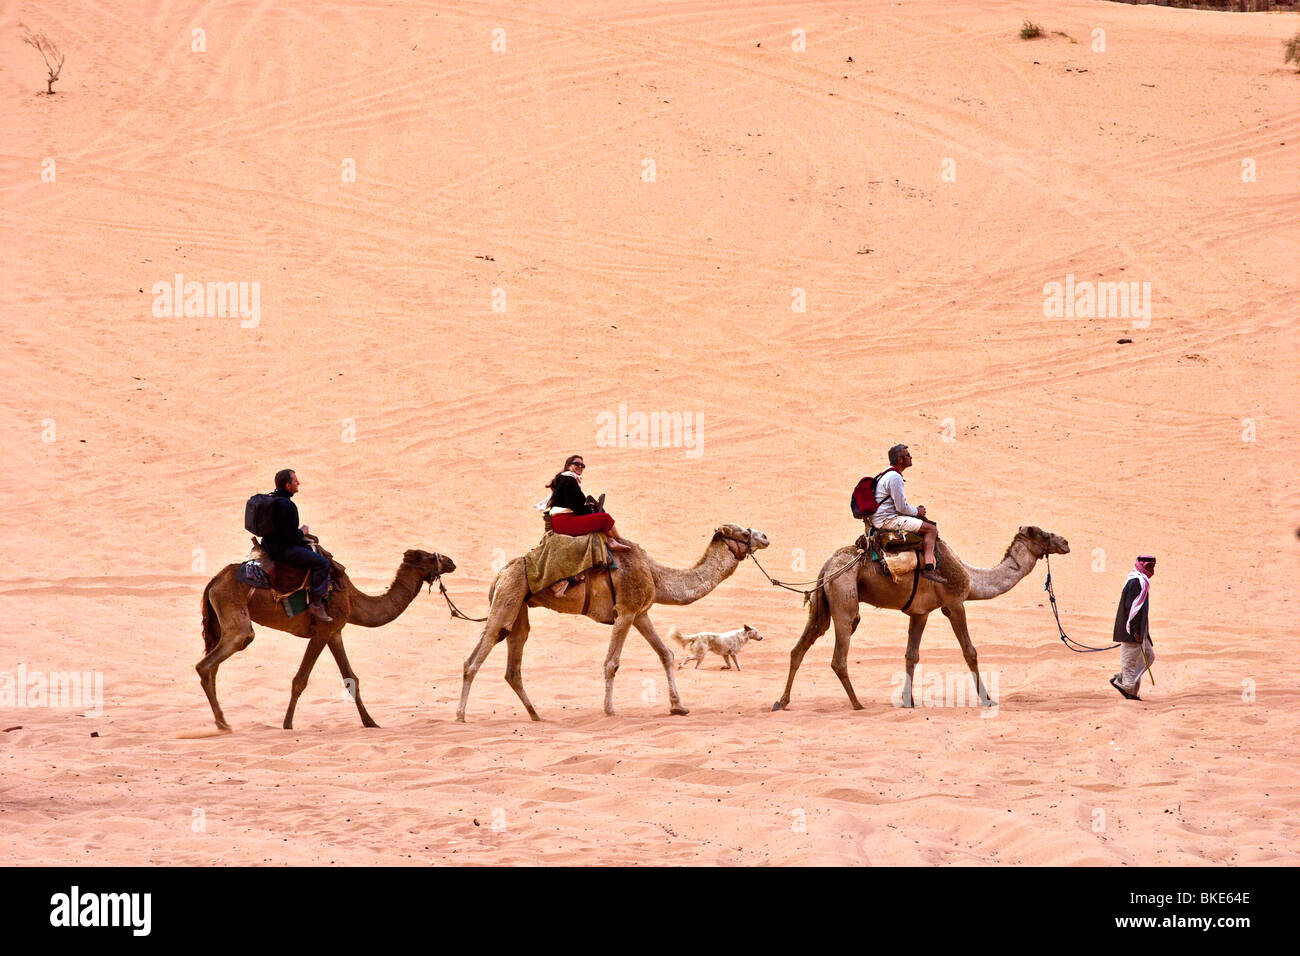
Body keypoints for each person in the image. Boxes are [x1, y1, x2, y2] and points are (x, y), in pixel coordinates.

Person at [262, 469, 333, 623]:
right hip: (282, 550)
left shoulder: (270, 499)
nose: (298, 483)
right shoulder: (288, 506)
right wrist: (302, 531)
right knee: (322, 563)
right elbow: (292, 539)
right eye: (295, 481)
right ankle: (316, 605)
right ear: (288, 485)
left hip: (268, 545)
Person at [870, 443, 947, 584]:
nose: (910, 457)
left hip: (881, 517)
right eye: (907, 455)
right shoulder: (895, 477)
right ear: (900, 459)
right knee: (931, 529)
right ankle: (930, 568)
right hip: (887, 520)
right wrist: (918, 511)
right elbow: (901, 507)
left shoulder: (886, 473)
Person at [540, 455, 631, 550]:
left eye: (582, 465)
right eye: (576, 464)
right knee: (605, 518)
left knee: (598, 515)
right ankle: (616, 540)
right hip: (565, 522)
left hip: (562, 520)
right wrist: (591, 509)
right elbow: (575, 505)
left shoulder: (565, 479)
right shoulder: (568, 480)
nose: (580, 466)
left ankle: (611, 539)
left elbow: (572, 504)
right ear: (568, 465)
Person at [1110, 555, 1156, 700]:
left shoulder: (1142, 581)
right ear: (1142, 565)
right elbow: (1132, 608)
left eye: (1153, 567)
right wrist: (1135, 630)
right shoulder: (1136, 581)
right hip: (1131, 631)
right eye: (1149, 567)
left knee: (1149, 656)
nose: (1152, 570)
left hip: (1140, 631)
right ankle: (1127, 687)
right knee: (1129, 663)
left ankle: (1124, 681)